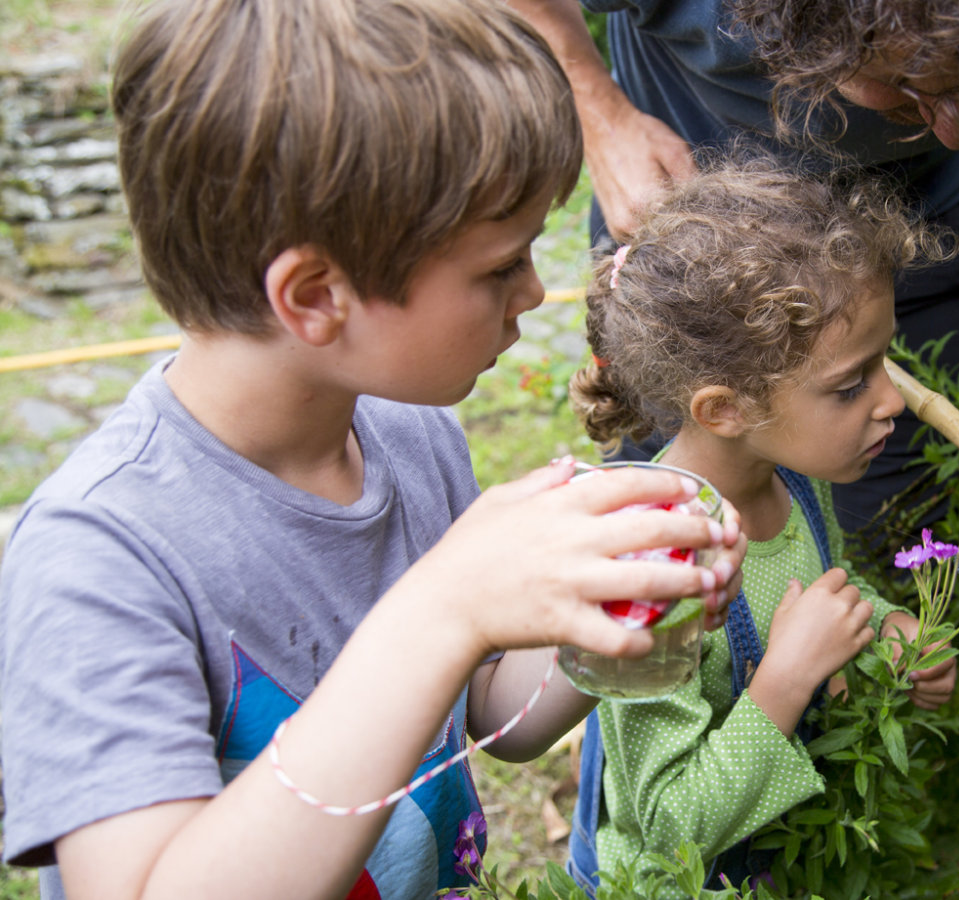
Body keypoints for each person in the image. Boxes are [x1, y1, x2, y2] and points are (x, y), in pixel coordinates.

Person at [0, 2, 746, 899]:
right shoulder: (99, 560)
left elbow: (487, 719)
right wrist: (443, 605)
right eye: (497, 265)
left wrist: (605, 627)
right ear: (316, 294)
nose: (532, 291)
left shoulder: (402, 431)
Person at [508, 0, 959, 540]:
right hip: (689, 254)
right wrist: (596, 108)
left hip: (918, 235)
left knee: (896, 528)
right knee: (669, 536)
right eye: (911, 86)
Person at [564, 153, 959, 896]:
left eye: (885, 364)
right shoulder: (650, 564)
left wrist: (882, 624)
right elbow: (665, 831)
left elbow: (807, 590)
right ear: (726, 409)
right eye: (850, 385)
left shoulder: (791, 480)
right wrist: (784, 680)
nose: (893, 403)